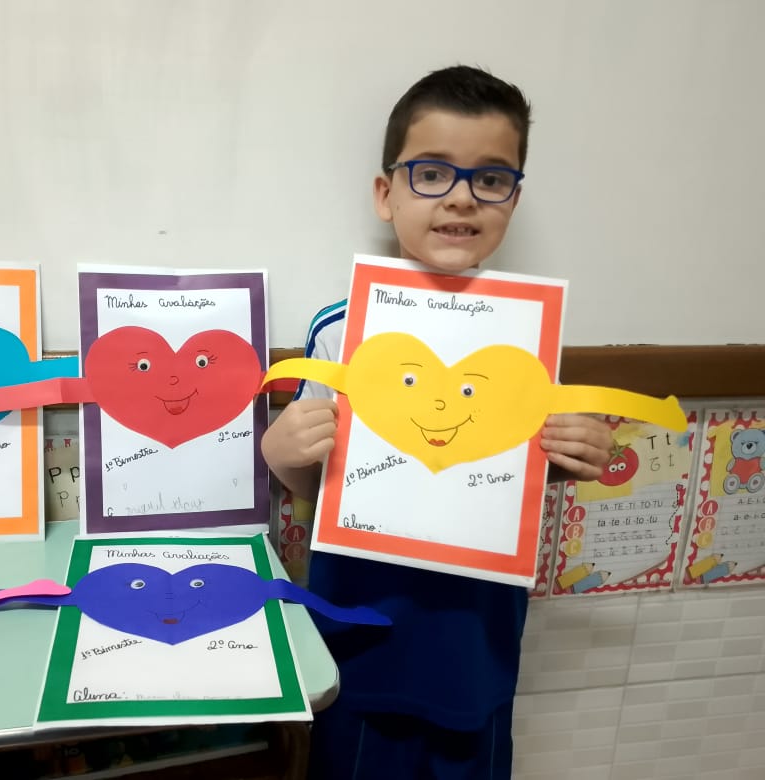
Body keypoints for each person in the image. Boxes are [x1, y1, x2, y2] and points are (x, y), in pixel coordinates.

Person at [261, 65, 613, 779]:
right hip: (360, 642)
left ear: (513, 199)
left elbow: (517, 477)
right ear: (386, 194)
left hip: (477, 649)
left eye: (491, 178)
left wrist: (573, 455)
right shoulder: (340, 331)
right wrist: (281, 450)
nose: (460, 196)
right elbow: (315, 484)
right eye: (431, 173)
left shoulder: (529, 338)